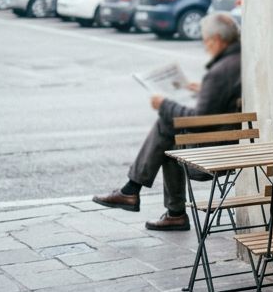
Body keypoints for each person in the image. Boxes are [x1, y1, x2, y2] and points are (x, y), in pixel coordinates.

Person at [92, 12, 243, 231]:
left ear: (218, 40)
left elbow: (199, 120)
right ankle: (170, 212)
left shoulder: (220, 72)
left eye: (206, 42)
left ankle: (134, 192)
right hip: (233, 143)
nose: (205, 47)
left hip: (216, 152)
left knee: (166, 125)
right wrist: (203, 90)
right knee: (169, 138)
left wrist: (164, 104)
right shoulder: (240, 61)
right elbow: (223, 102)